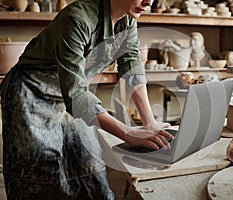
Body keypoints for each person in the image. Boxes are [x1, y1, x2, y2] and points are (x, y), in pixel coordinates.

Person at [0, 0, 174, 199]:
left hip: (71, 97)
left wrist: (149, 122)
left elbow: (132, 66)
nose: (149, 2)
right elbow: (76, 94)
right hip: (31, 95)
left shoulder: (128, 21)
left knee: (90, 165)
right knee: (44, 173)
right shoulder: (77, 18)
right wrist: (128, 133)